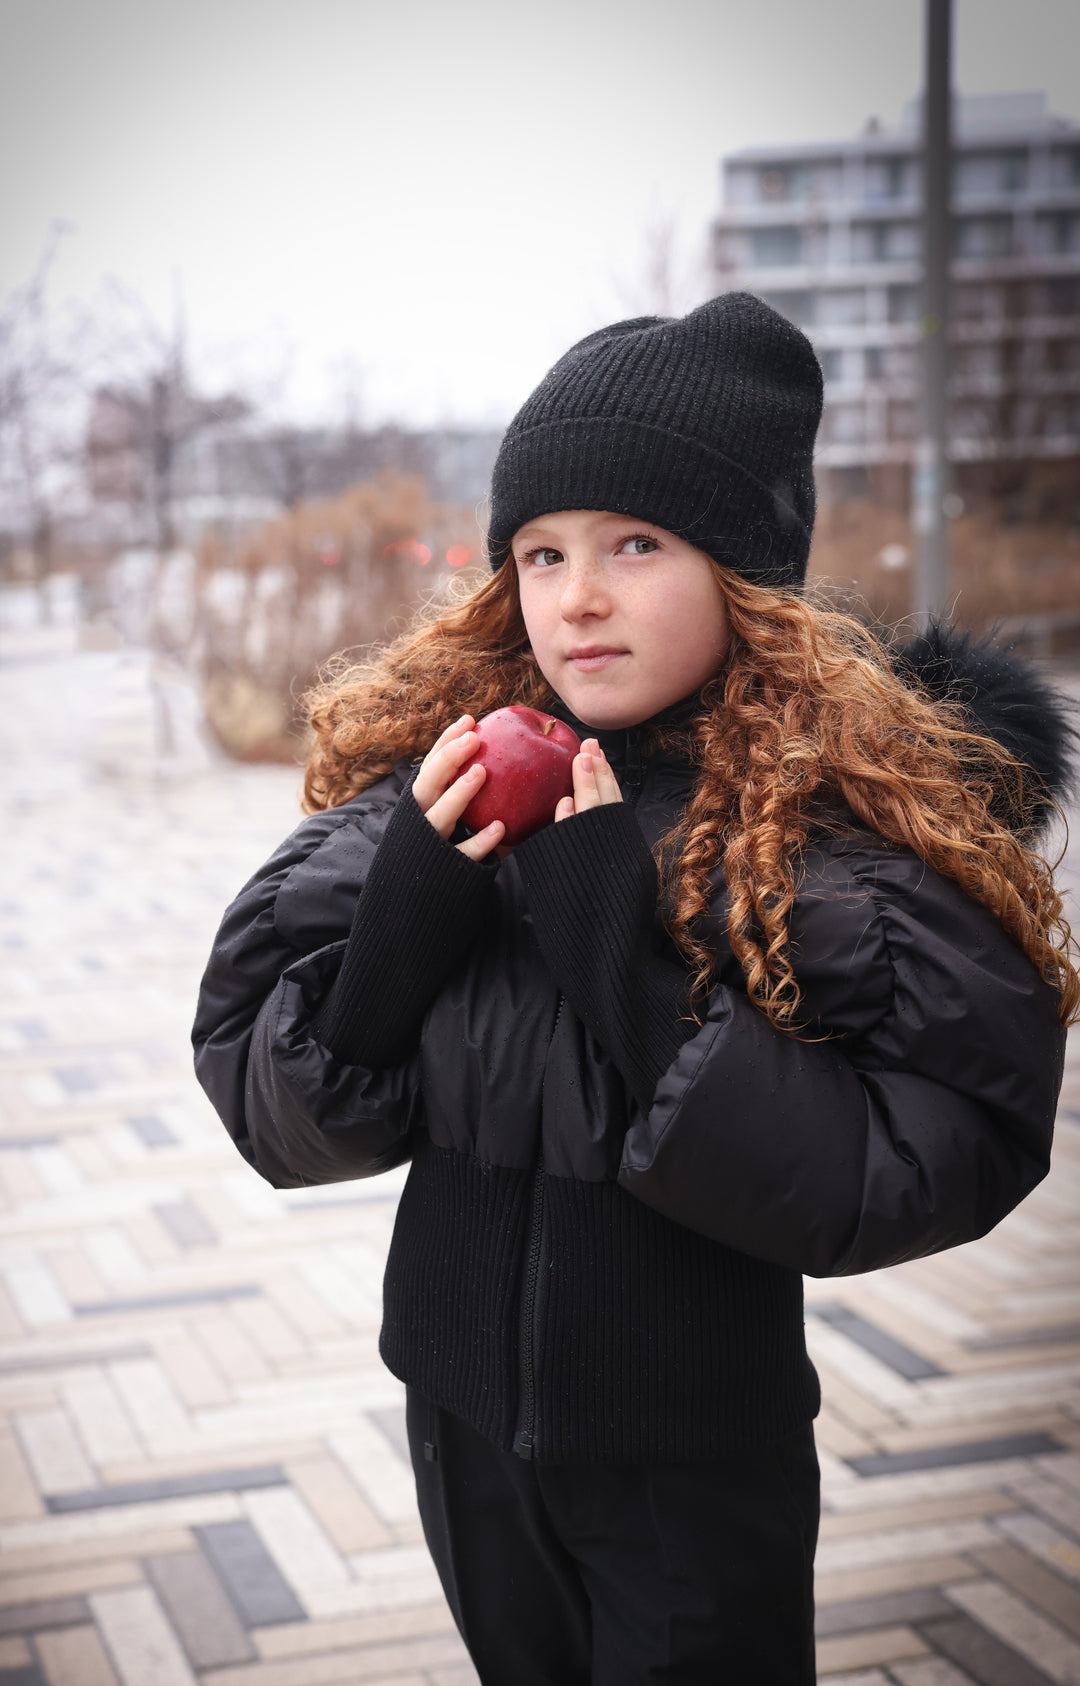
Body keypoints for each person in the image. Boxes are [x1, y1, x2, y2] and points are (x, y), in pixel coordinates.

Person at [192, 293, 1077, 1685]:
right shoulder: (447, 784)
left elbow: (925, 1151)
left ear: (743, 570)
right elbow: (270, 1092)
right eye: (541, 552)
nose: (577, 595)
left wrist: (624, 956)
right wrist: (409, 908)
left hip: (690, 1462)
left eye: (636, 544)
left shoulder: (831, 842)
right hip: (461, 1427)